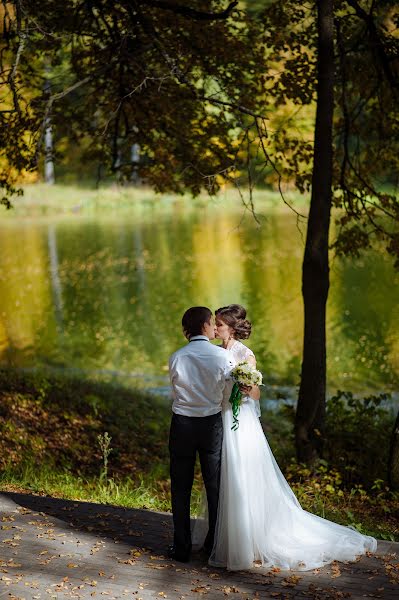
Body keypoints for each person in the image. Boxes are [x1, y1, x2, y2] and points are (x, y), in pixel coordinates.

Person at [209, 303, 377, 571]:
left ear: (230, 327)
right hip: (222, 417)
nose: (214, 328)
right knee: (225, 477)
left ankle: (252, 542)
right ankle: (229, 540)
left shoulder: (245, 355)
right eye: (214, 323)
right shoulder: (216, 353)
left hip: (242, 423)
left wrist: (244, 387)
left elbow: (255, 395)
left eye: (218, 323)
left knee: (243, 476)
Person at [168, 306, 234, 563]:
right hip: (210, 425)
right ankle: (212, 545)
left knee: (180, 487)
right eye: (212, 323)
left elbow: (175, 387)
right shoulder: (222, 357)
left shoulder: (177, 357)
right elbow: (230, 389)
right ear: (207, 326)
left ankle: (181, 547)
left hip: (183, 424)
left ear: (186, 330)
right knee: (214, 486)